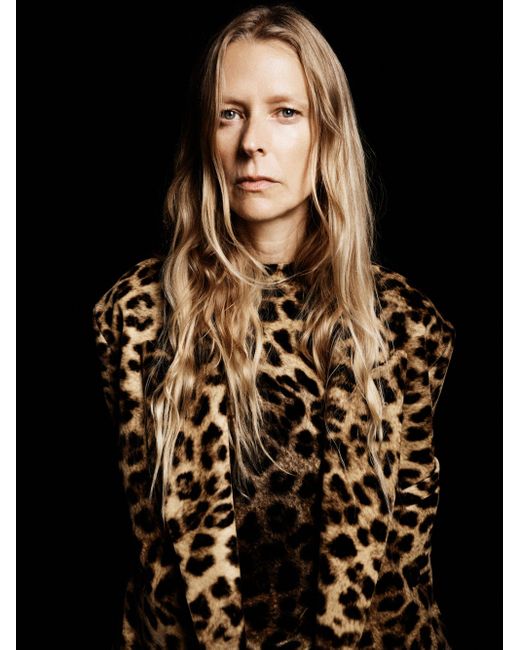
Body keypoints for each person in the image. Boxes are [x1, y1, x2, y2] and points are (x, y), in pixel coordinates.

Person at [92, 4, 456, 649]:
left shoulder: (406, 328)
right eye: (230, 113)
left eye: (285, 112)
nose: (251, 142)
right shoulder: (134, 319)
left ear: (327, 133)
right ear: (206, 135)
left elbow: (405, 587)